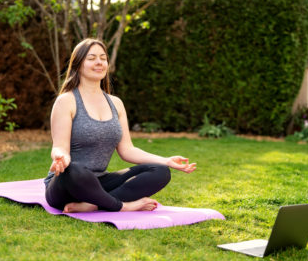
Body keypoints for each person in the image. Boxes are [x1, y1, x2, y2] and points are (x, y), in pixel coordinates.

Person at [44, 38, 196, 213]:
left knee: (160, 171)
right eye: (91, 58)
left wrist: (167, 160)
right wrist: (61, 158)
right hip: (68, 183)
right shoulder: (67, 101)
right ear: (78, 65)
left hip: (99, 182)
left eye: (103, 58)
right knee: (75, 169)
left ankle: (93, 204)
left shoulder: (116, 103)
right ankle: (121, 206)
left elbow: (127, 150)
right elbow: (59, 147)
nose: (99, 62)